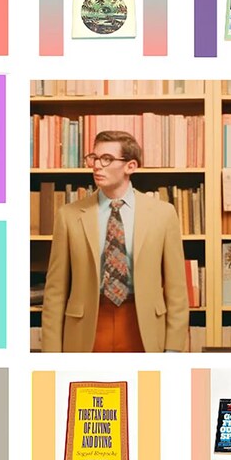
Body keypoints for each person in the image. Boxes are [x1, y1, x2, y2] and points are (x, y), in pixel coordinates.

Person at [42, 131, 189, 352]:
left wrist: (174, 349)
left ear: (130, 166)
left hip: (143, 325)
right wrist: (51, 355)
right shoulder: (69, 216)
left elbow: (176, 289)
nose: (96, 166)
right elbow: (55, 292)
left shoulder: (163, 214)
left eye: (107, 159)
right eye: (94, 158)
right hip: (86, 328)